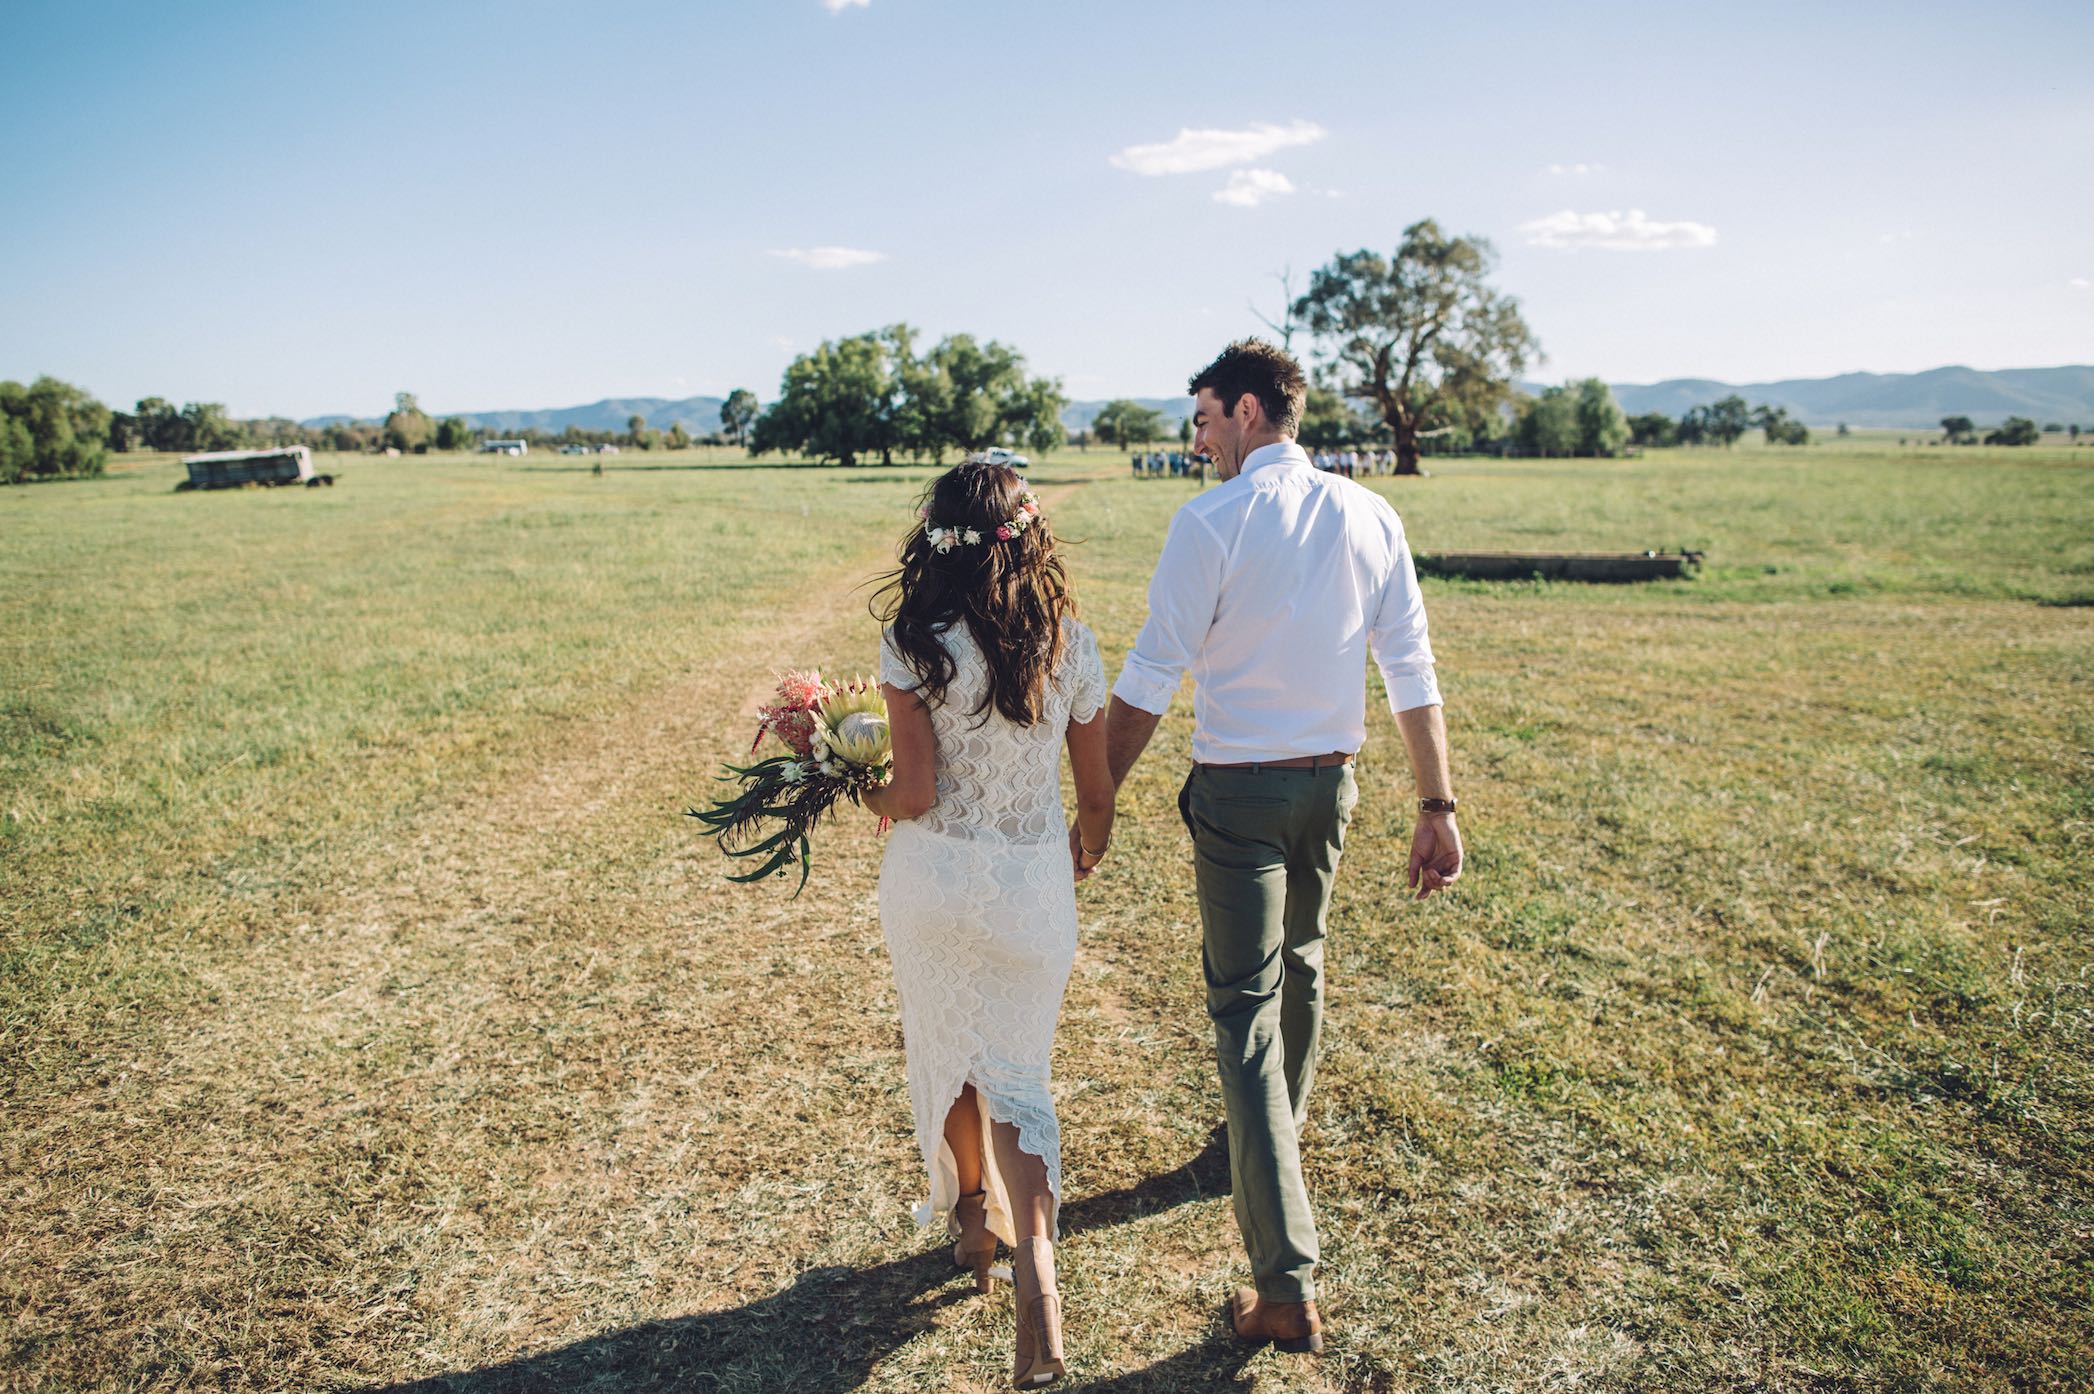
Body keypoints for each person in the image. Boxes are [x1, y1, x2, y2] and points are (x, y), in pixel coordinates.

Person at [1089, 338, 1462, 1355]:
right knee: (1300, 970)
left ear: (1249, 411)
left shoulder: (1210, 519)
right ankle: (1267, 1146)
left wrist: (1098, 799)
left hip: (1240, 797)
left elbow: (1154, 670)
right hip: (1329, 788)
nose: (1198, 436)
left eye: (1204, 416)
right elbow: (1412, 672)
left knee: (1245, 1009)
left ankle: (1284, 1280)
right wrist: (1437, 801)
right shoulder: (1373, 514)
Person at [865, 458, 1115, 1389]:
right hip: (1030, 890)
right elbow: (1095, 797)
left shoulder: (913, 645)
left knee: (952, 1048)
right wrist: (1080, 851)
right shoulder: (1071, 645)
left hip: (930, 885)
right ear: (1029, 535)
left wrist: (855, 793)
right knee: (1019, 1074)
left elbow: (915, 791)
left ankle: (975, 1217)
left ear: (934, 542)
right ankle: (1037, 1281)